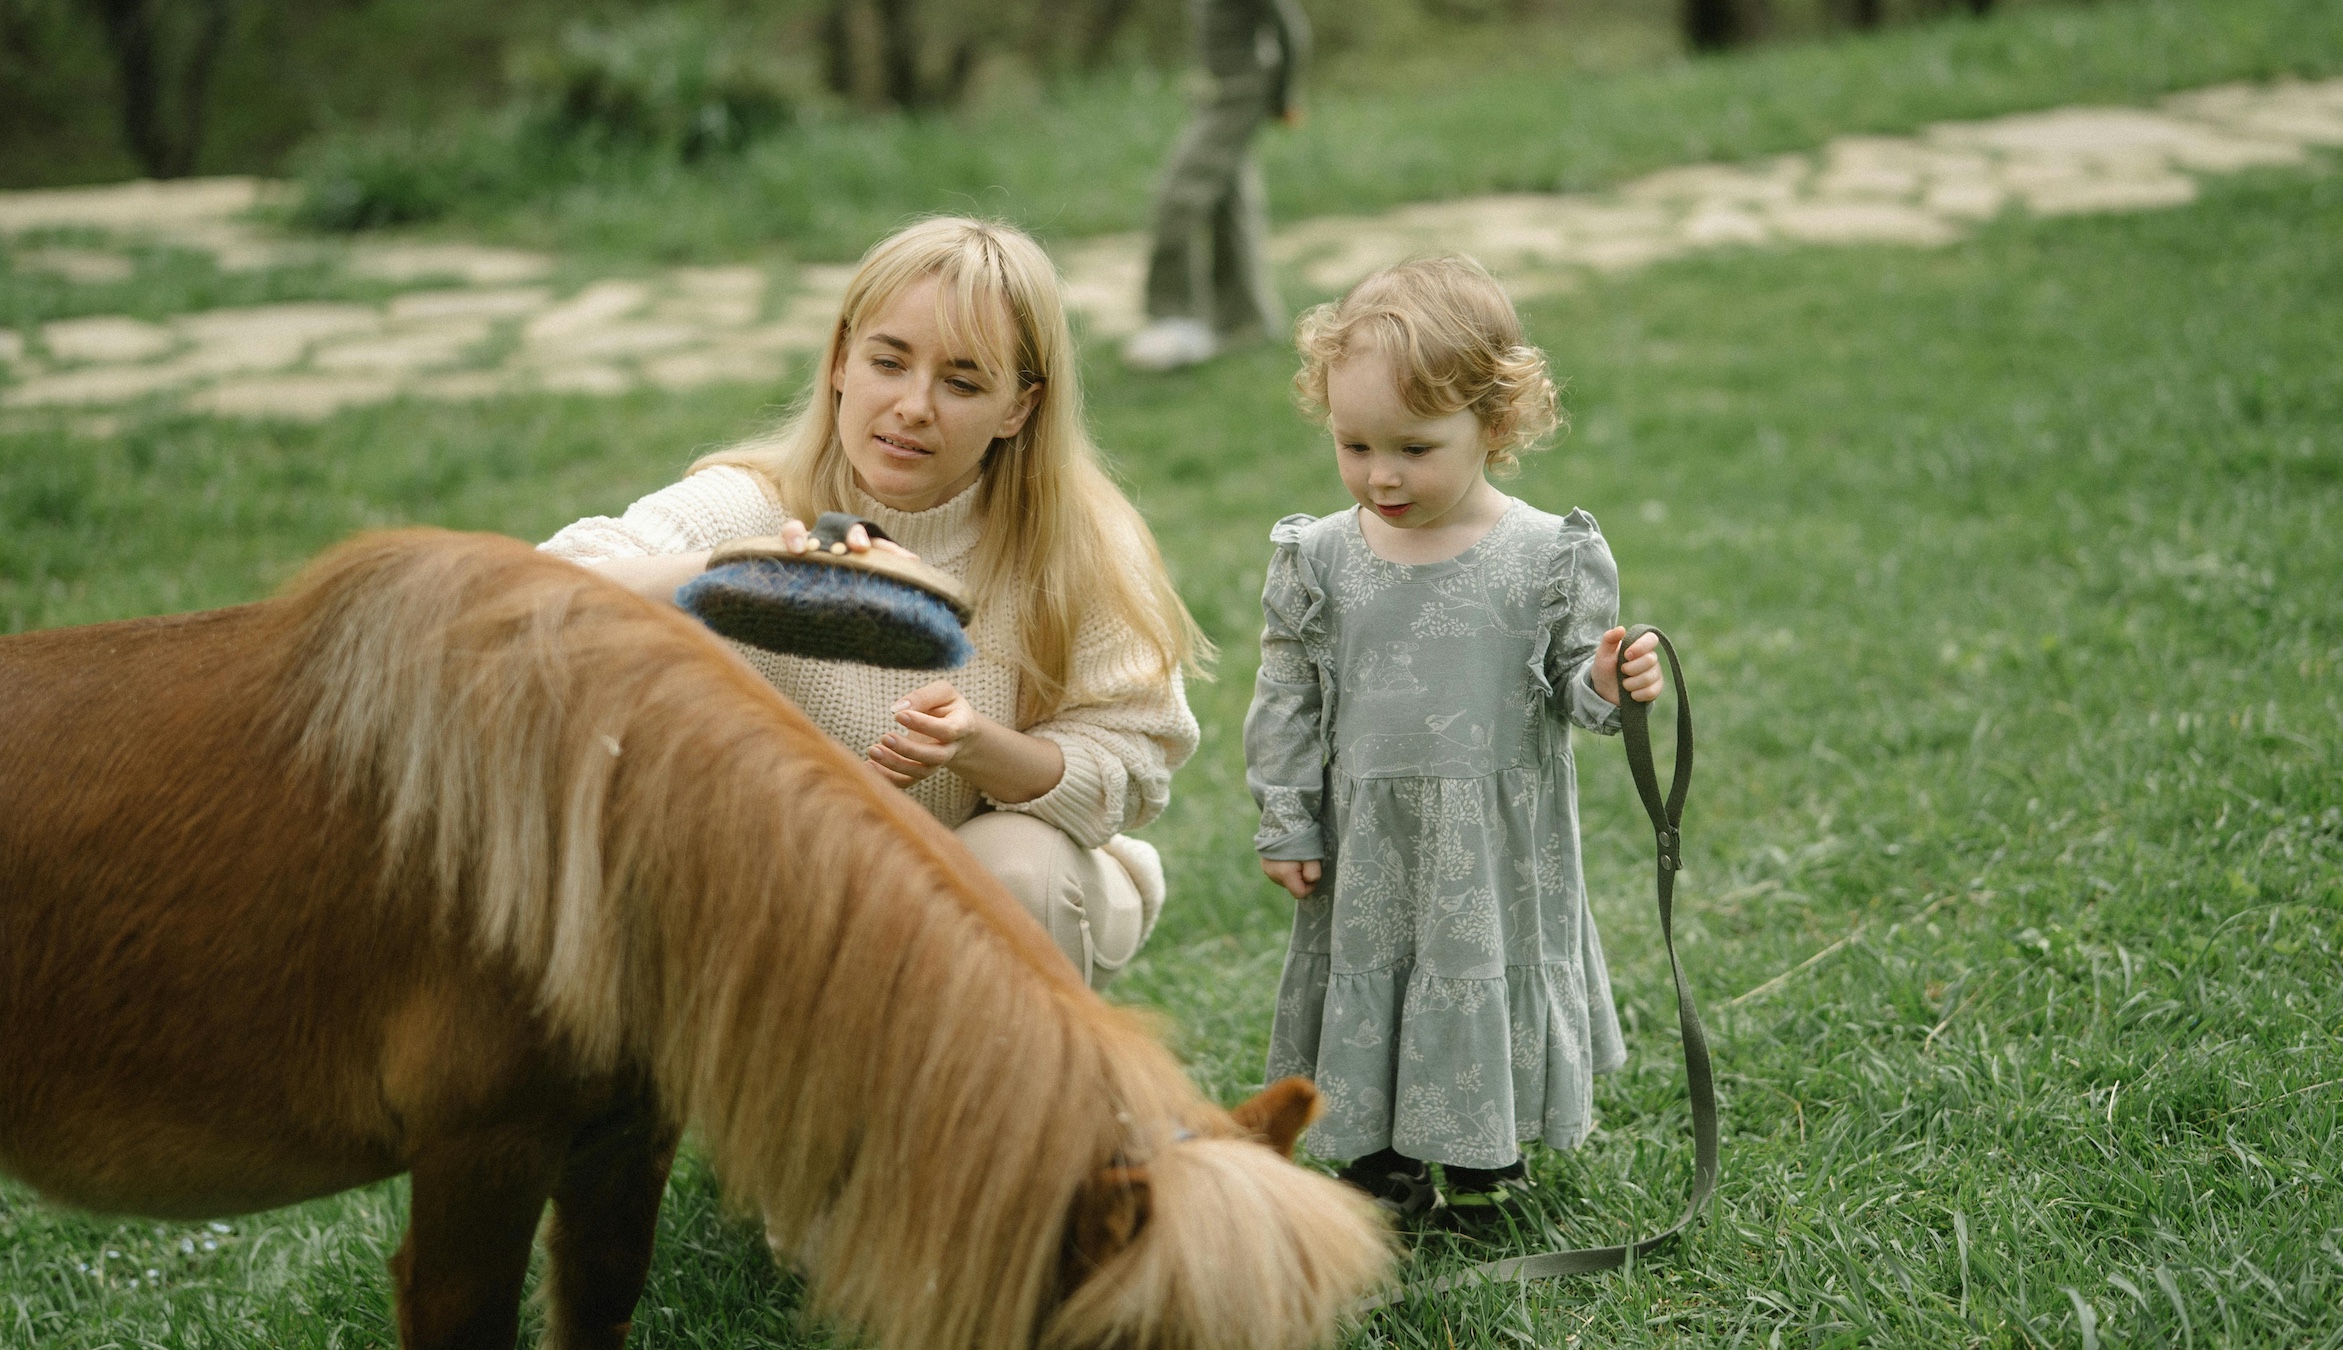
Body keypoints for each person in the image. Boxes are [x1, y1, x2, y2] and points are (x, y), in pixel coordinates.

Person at [541, 217, 1208, 989]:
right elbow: (538, 594)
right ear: (839, 361)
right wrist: (743, 573)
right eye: (888, 362)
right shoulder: (751, 510)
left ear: (1019, 409)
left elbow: (1130, 766)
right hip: (791, 886)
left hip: (993, 879)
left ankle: (1012, 1104)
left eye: (962, 383)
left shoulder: (1074, 547)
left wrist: (975, 745)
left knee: (1015, 868)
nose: (914, 405)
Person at [1242, 255, 1664, 1223]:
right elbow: (1289, 694)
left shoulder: (1548, 555)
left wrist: (1608, 682)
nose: (1380, 475)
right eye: (1355, 444)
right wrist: (1288, 817)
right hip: (1370, 840)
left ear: (1497, 423)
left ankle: (1484, 1151)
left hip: (1495, 846)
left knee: (1479, 970)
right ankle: (1381, 1160)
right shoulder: (1318, 560)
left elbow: (1576, 690)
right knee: (1378, 975)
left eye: (1415, 448)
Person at [1120, 0, 1310, 372]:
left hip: (1242, 93)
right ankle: (1245, 321)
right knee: (1229, 204)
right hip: (1216, 92)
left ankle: (1176, 320)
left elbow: (1291, 28)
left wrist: (1284, 96)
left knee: (1179, 199)